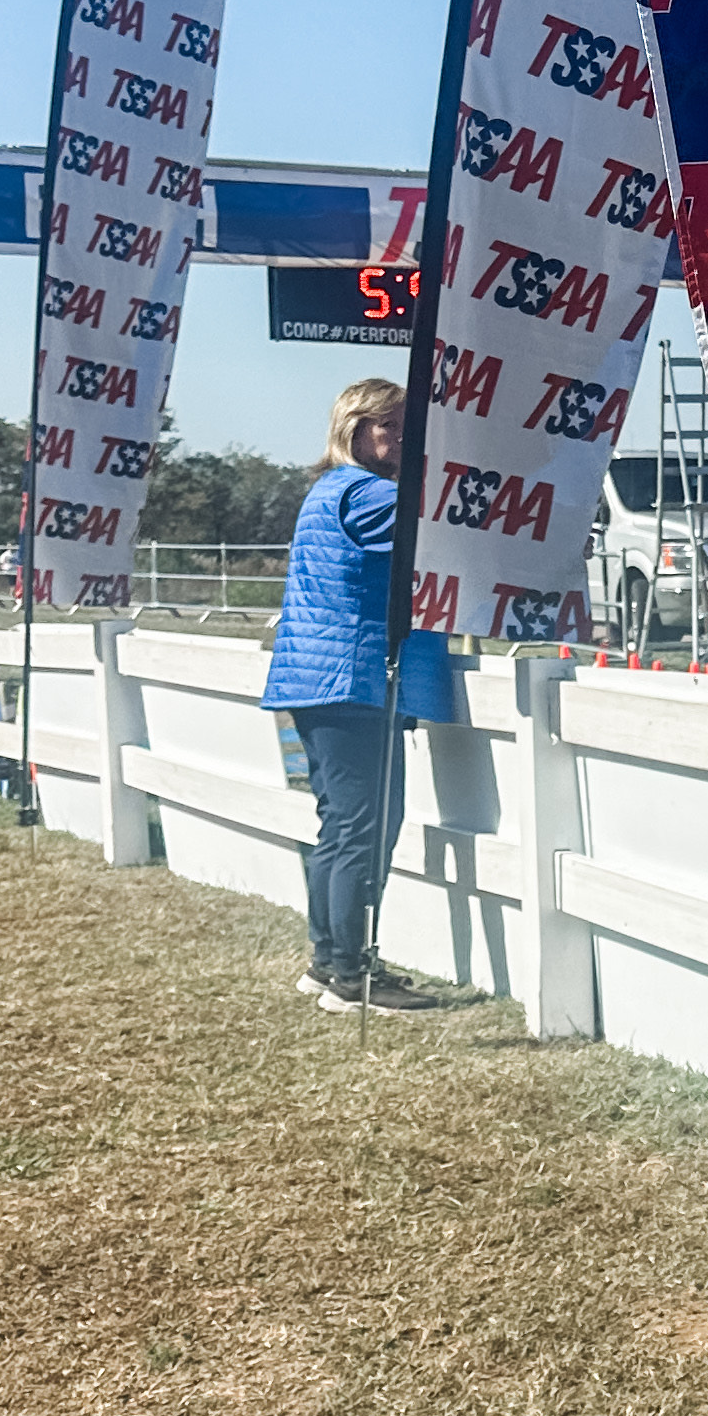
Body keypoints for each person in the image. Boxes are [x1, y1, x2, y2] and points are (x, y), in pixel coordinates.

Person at [263, 378, 455, 1011]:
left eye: (406, 427)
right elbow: (444, 532)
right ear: (355, 431)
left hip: (320, 679)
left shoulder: (330, 489)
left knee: (340, 827)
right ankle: (350, 973)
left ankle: (329, 962)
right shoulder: (374, 495)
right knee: (365, 830)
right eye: (388, 427)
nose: (401, 439)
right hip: (353, 679)